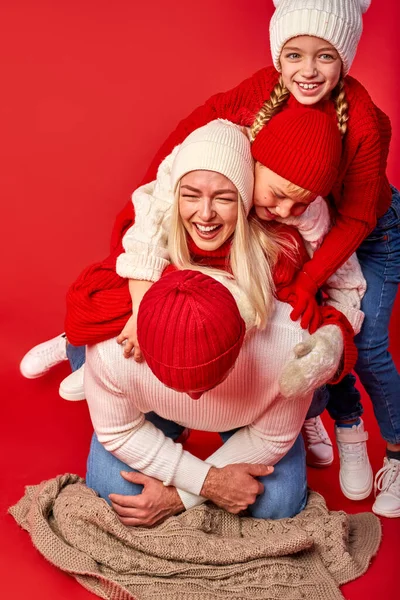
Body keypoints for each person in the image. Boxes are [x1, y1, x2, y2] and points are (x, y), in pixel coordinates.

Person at [21, 0, 400, 517]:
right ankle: (82, 350)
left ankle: (362, 436)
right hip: (172, 339)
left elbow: (350, 225)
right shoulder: (246, 134)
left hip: (362, 233)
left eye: (325, 57)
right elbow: (182, 151)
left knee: (361, 344)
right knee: (132, 279)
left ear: (345, 59)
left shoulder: (338, 164)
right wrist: (172, 190)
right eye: (295, 54)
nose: (307, 71)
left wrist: (308, 284)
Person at [84, 120, 355, 525]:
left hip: (247, 404)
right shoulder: (120, 339)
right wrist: (208, 482)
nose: (206, 213)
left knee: (275, 504)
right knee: (115, 491)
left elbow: (271, 436)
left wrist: (181, 495)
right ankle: (161, 417)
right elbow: (117, 430)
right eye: (191, 195)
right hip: (149, 389)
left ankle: (302, 415)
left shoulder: (283, 336)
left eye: (224, 198)